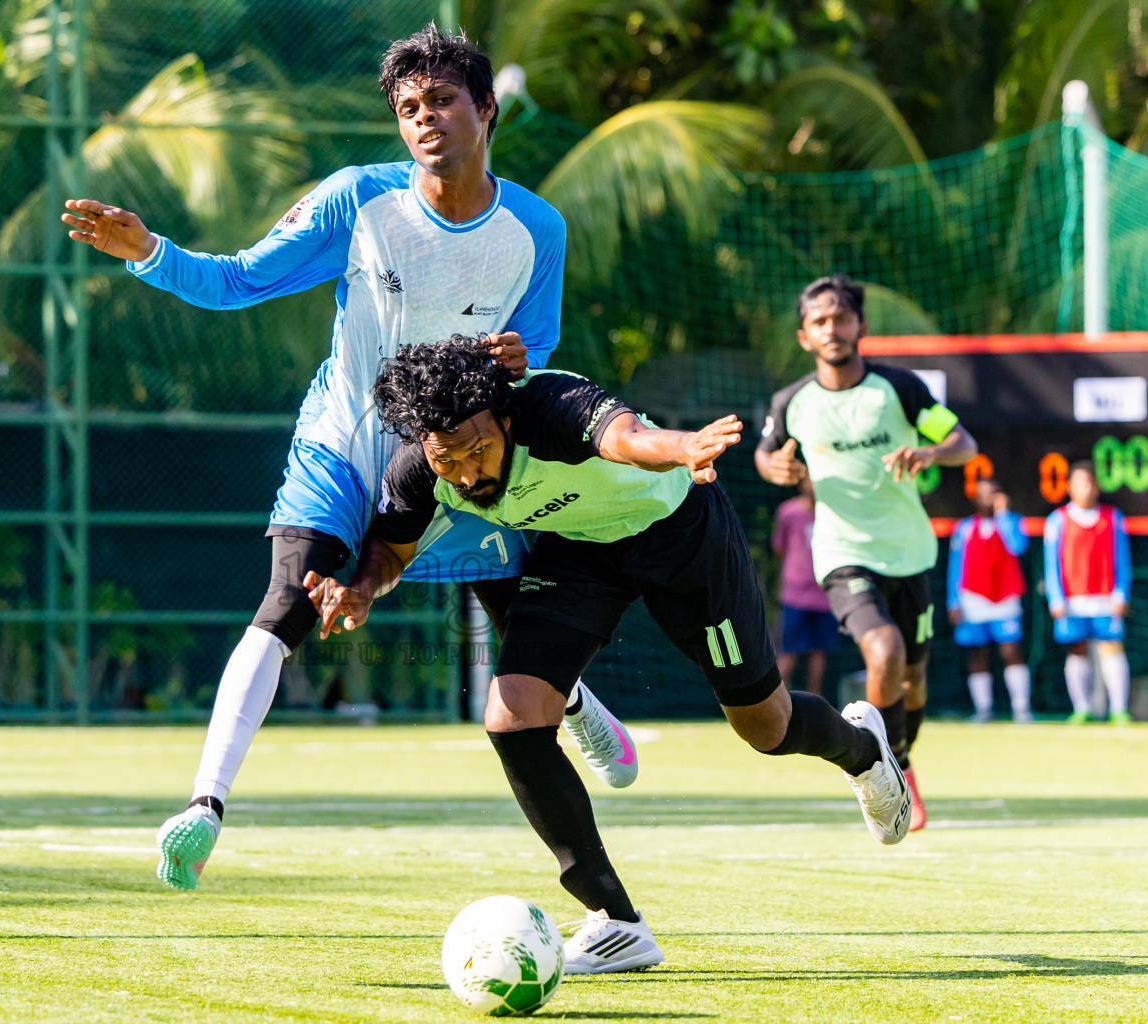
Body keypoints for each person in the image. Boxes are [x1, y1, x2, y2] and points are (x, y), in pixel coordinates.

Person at [58, 24, 637, 890]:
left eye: (441, 100)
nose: (424, 119)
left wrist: (516, 364)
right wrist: (148, 251)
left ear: (485, 109)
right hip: (341, 441)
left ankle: (580, 703)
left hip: (457, 455)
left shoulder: (536, 228)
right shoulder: (355, 200)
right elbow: (237, 279)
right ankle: (204, 806)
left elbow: (539, 349)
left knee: (521, 634)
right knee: (288, 600)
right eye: (407, 108)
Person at [308, 337, 912, 975]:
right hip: (582, 552)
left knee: (766, 726)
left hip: (680, 532)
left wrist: (680, 447)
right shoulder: (423, 463)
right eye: (446, 460)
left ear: (506, 418)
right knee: (512, 717)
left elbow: (625, 438)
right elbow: (391, 550)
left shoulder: (550, 405)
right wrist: (362, 588)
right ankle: (613, 918)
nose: (465, 475)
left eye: (477, 451)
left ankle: (863, 749)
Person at [754, 274, 977, 832]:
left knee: (914, 677)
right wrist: (773, 466)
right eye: (820, 321)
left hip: (910, 553)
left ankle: (900, 763)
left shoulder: (898, 389)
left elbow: (963, 443)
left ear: (861, 327)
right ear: (805, 336)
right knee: (884, 652)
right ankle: (879, 775)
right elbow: (765, 453)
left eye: (842, 317)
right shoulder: (793, 403)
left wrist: (929, 452)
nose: (833, 328)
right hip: (842, 553)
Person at [1044, 461, 1132, 725]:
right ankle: (1081, 709)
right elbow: (1052, 563)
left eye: (1091, 482)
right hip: (1072, 601)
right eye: (1080, 482)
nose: (1087, 488)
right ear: (1069, 487)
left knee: (1112, 649)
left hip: (1106, 598)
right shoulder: (1057, 520)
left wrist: (1121, 593)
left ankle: (1118, 709)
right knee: (1076, 650)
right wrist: (1055, 597)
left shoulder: (1113, 517)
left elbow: (1122, 559)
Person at [946, 477, 1032, 723]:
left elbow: (1017, 547)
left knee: (1011, 650)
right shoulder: (964, 528)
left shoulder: (1013, 522)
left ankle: (1021, 708)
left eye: (993, 494)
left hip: (1005, 599)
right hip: (972, 600)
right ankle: (983, 709)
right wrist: (954, 601)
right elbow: (956, 567)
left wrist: (1003, 515)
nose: (988, 499)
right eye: (983, 494)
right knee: (977, 653)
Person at [772, 476, 839, 698]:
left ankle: (815, 703)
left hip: (825, 595)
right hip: (795, 595)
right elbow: (779, 548)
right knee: (788, 652)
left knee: (818, 653)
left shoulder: (833, 513)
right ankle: (776, 703)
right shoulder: (788, 511)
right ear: (801, 483)